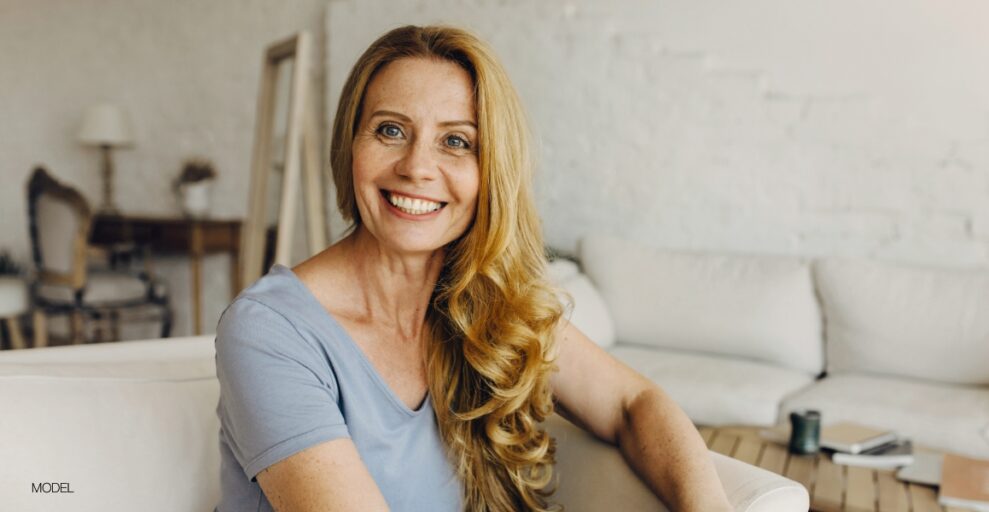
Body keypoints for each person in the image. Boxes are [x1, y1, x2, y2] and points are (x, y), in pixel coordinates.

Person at [214, 25, 733, 512]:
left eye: (456, 141)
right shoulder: (269, 330)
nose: (417, 167)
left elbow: (632, 404)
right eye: (390, 130)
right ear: (350, 146)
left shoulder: (485, 303)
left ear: (490, 172)